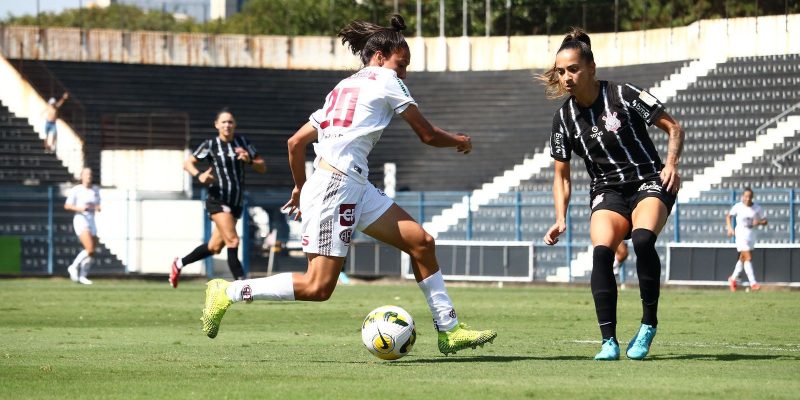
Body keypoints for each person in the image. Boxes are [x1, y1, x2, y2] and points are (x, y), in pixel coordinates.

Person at [201, 15, 497, 356]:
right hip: (337, 186)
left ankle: (449, 330)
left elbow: (295, 143)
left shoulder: (342, 87)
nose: (405, 73)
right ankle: (228, 292)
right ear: (381, 56)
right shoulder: (387, 79)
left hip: (347, 183)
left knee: (421, 242)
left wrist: (300, 187)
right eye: (403, 64)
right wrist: (460, 140)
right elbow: (427, 135)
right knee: (318, 286)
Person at [541, 28, 685, 361]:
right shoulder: (563, 119)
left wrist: (672, 164)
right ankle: (609, 341)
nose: (567, 77)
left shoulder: (624, 95)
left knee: (643, 239)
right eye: (561, 71)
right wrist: (560, 218)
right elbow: (561, 176)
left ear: (591, 67)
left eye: (573, 69)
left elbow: (673, 127)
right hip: (607, 190)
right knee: (602, 252)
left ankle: (648, 323)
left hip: (648, 180)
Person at [169, 108, 266, 288]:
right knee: (233, 240)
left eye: (230, 122)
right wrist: (199, 176)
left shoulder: (243, 143)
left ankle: (179, 263)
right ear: (216, 125)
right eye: (223, 122)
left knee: (215, 247)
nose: (227, 125)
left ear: (234, 125)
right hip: (218, 199)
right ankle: (242, 285)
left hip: (236, 201)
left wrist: (249, 161)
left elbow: (262, 167)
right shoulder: (211, 145)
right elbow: (188, 163)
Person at [725, 187, 767, 292]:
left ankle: (733, 279)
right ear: (743, 197)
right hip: (740, 235)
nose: (747, 198)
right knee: (748, 257)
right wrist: (730, 228)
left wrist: (759, 222)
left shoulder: (757, 208)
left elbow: (765, 221)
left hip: (751, 236)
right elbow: (728, 216)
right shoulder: (738, 207)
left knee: (743, 258)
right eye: (746, 196)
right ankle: (753, 283)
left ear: (752, 197)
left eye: (749, 196)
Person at [64, 167, 101, 285]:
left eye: (90, 174)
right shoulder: (77, 190)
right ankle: (73, 266)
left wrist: (97, 208)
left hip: (91, 221)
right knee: (89, 248)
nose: (88, 176)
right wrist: (80, 208)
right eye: (86, 174)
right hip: (81, 220)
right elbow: (67, 206)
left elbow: (97, 204)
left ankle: (83, 275)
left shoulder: (95, 190)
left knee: (92, 251)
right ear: (82, 177)